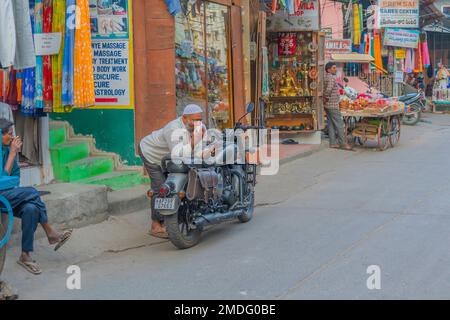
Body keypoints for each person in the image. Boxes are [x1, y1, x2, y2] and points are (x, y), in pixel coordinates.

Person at [0, 119, 72, 275]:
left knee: (31, 209)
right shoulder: (7, 151)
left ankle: (25, 255)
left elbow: (14, 178)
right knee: (33, 192)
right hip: (1, 195)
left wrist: (12, 154)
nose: (13, 138)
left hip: (8, 194)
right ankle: (50, 232)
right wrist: (13, 154)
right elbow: (2, 179)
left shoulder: (7, 149)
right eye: (9, 134)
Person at [139, 104, 208, 239]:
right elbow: (179, 154)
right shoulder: (173, 129)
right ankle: (156, 225)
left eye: (200, 120)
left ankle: (177, 216)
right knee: (160, 188)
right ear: (184, 118)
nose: (197, 123)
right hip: (151, 153)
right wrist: (194, 141)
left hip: (167, 158)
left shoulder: (200, 127)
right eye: (194, 120)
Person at [323, 62, 353, 151]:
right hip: (332, 105)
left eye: (335, 68)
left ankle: (332, 143)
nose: (335, 69)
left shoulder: (327, 77)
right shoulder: (331, 78)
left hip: (328, 105)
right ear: (328, 70)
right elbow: (328, 90)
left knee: (331, 124)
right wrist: (327, 98)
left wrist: (326, 100)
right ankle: (343, 143)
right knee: (339, 124)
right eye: (333, 68)